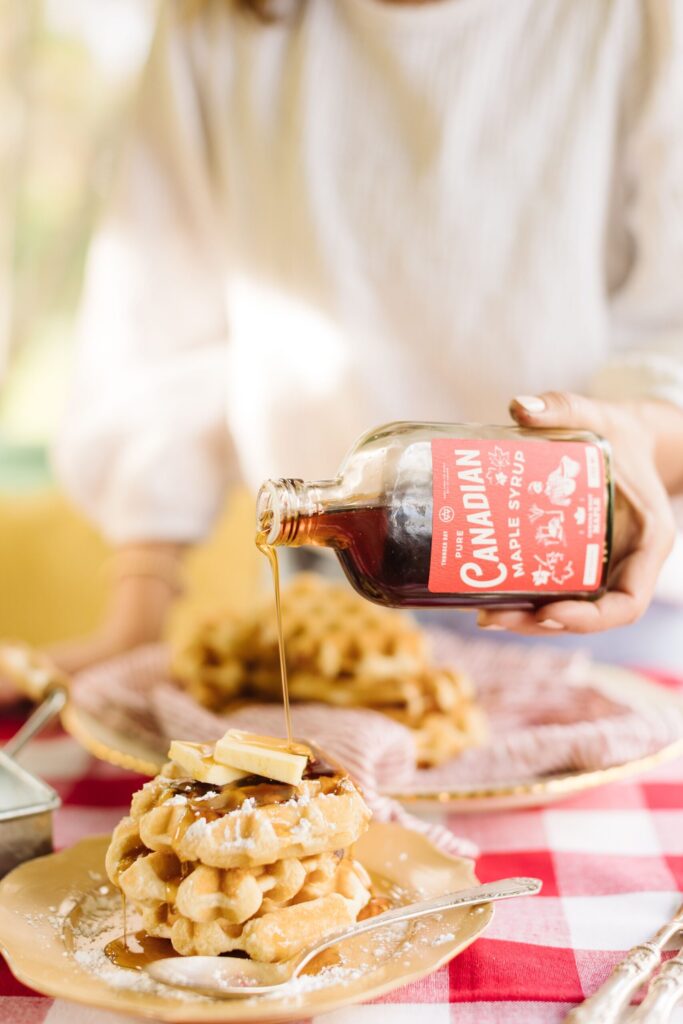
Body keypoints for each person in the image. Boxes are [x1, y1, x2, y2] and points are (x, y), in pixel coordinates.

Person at [46, 0, 683, 675]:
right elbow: (160, 335)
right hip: (337, 607)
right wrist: (137, 622)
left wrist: (646, 433)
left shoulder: (641, 19)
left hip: (606, 610)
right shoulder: (218, 27)